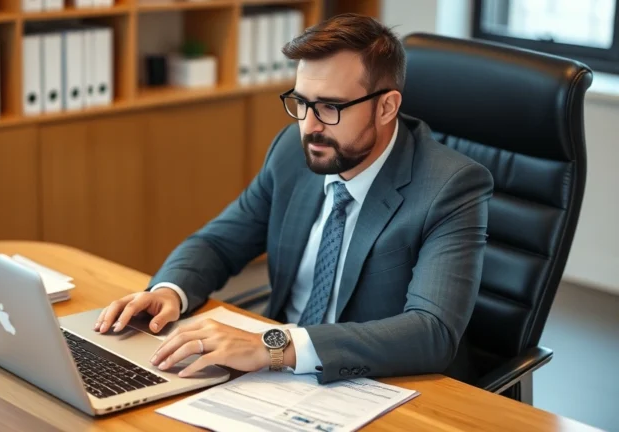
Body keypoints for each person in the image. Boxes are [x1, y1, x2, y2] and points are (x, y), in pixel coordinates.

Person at [94, 13, 493, 384]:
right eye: (301, 102)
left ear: (387, 107)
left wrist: (275, 347)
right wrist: (169, 292)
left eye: (331, 107)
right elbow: (217, 243)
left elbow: (431, 332)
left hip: (375, 384)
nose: (310, 126)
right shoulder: (294, 150)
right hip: (273, 380)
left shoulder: (451, 187)